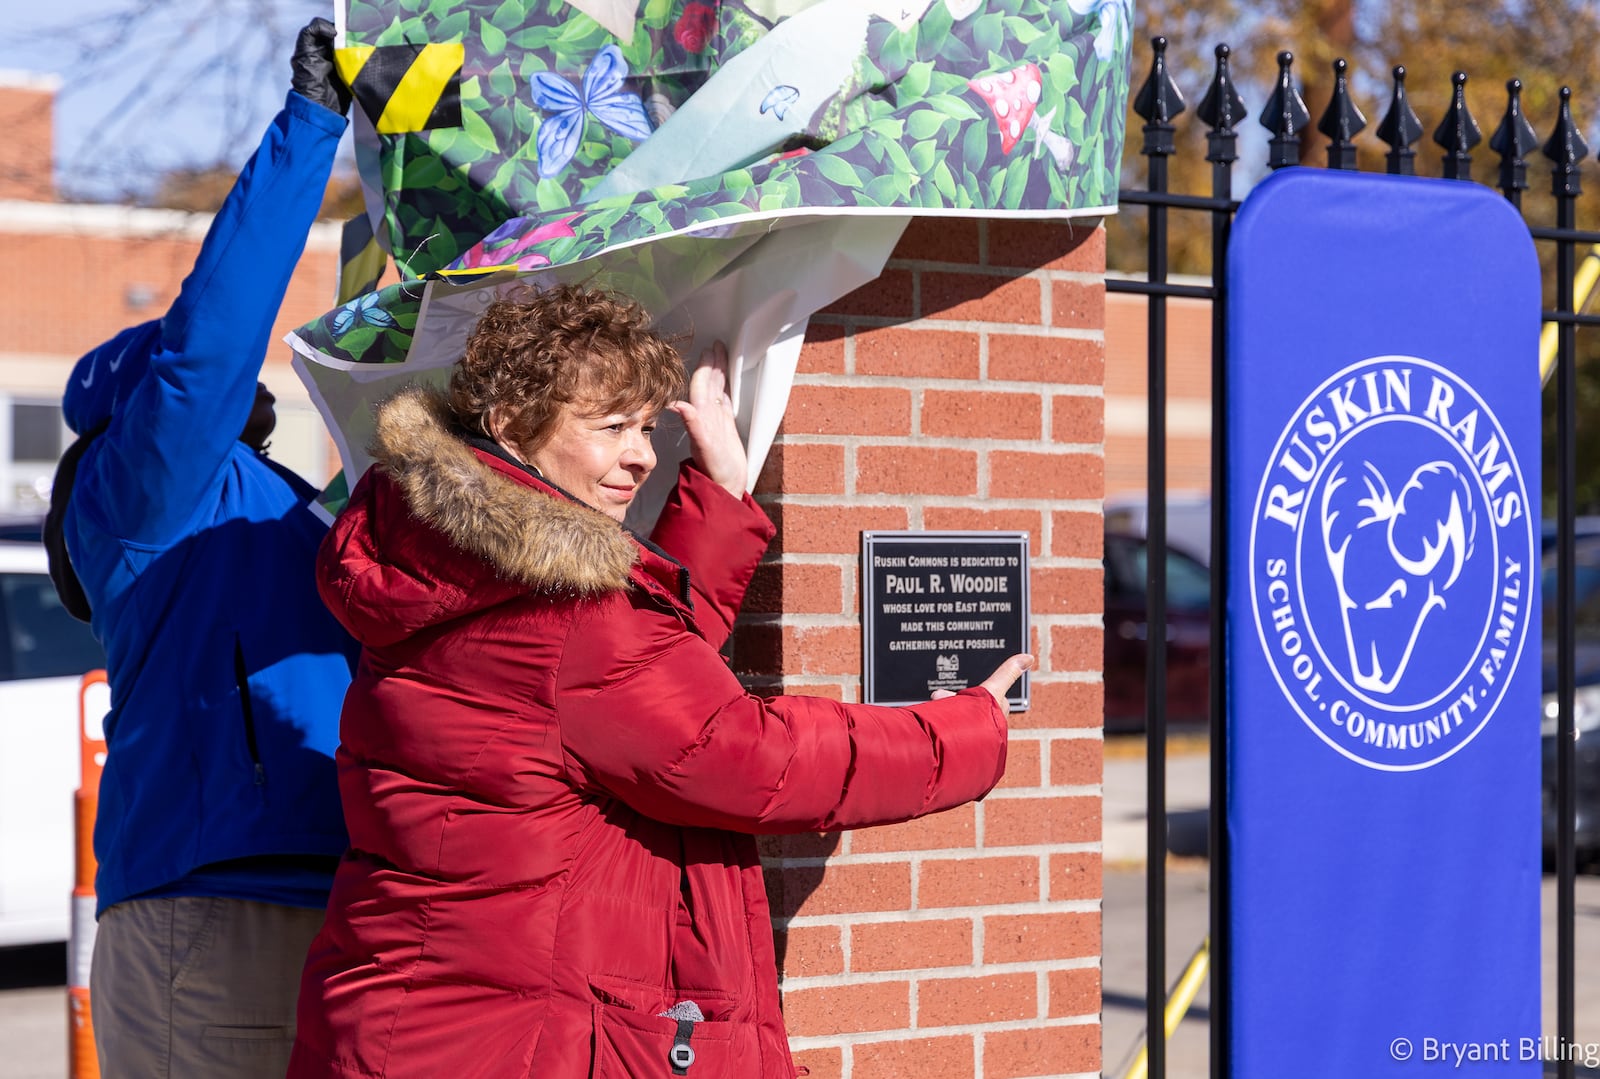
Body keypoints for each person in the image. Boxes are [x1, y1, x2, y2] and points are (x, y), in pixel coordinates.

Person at [287, 283, 1031, 1078]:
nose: (642, 453)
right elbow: (746, 754)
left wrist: (719, 495)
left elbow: (639, 695)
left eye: (645, 426)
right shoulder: (571, 619)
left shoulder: (438, 555)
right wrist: (967, 726)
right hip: (511, 1040)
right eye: (611, 427)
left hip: (404, 1018)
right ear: (510, 425)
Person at [57, 19, 357, 1078]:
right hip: (213, 908)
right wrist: (311, 127)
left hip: (327, 893)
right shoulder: (142, 487)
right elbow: (210, 343)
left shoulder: (282, 502)